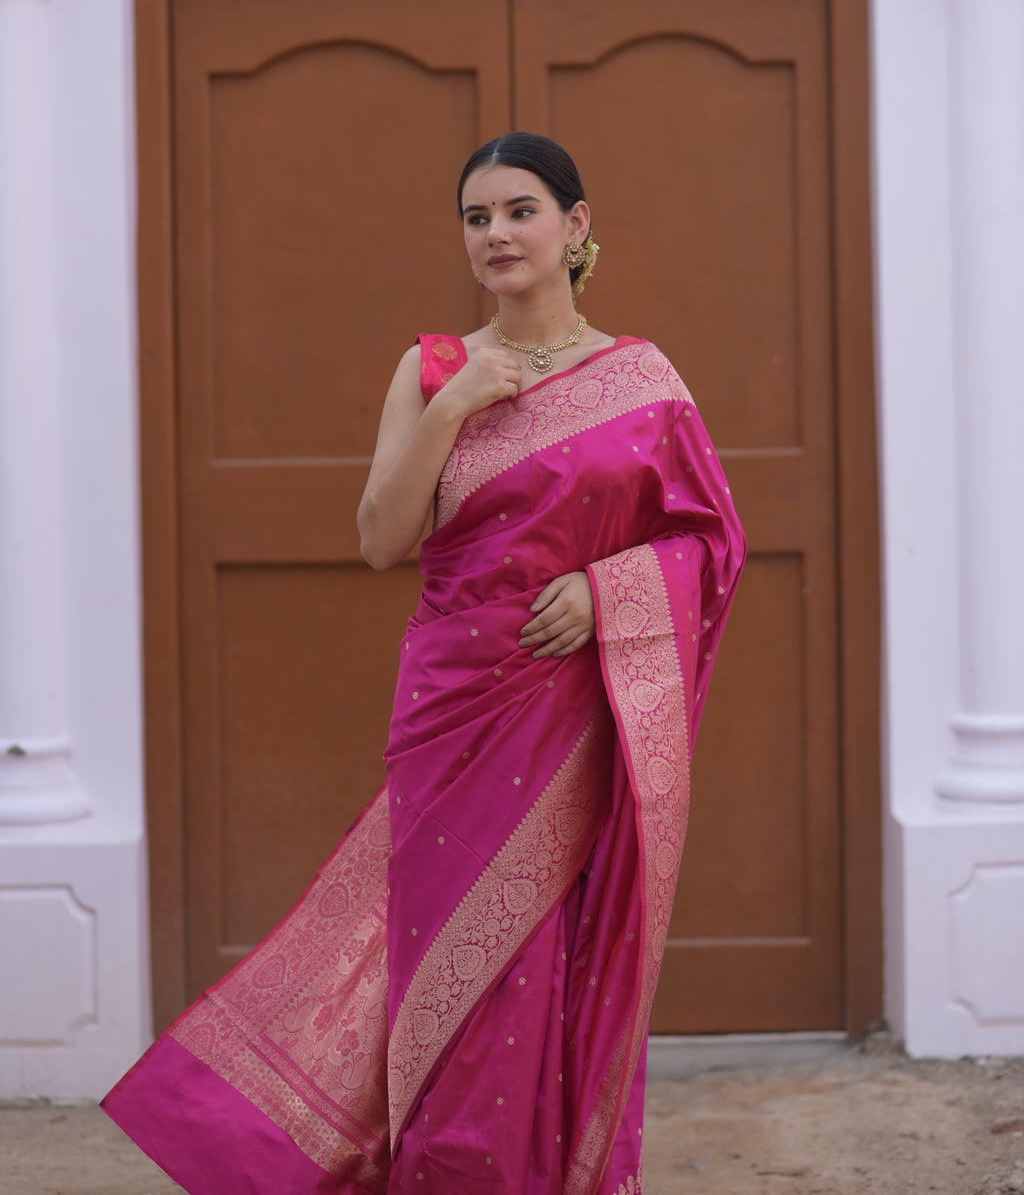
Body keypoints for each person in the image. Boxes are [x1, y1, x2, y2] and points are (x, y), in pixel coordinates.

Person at [103, 132, 746, 1195]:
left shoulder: (641, 378)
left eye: (521, 210)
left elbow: (710, 541)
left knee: (549, 957)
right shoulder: (433, 366)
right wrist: (455, 406)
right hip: (456, 707)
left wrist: (607, 593)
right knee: (441, 964)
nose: (497, 233)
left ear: (575, 228)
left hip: (575, 713)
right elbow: (379, 536)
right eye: (477, 216)